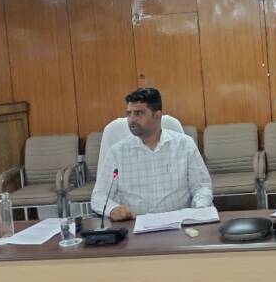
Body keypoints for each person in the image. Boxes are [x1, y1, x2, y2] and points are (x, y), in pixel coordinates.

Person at [91, 88, 212, 220]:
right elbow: (99, 196)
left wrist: (200, 209)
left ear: (157, 115)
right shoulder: (117, 153)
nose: (132, 119)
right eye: (129, 113)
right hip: (135, 225)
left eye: (139, 113)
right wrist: (112, 209)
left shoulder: (185, 145)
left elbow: (201, 187)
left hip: (180, 223)